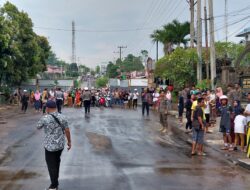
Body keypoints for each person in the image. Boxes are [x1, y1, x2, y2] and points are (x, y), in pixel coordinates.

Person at [37, 100, 71, 190]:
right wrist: (69, 142)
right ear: (55, 107)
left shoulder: (45, 118)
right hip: (60, 145)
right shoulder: (63, 117)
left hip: (49, 147)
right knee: (56, 163)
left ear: (47, 108)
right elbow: (67, 130)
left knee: (51, 165)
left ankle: (53, 186)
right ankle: (55, 181)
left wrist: (44, 116)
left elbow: (38, 127)